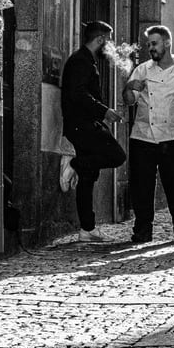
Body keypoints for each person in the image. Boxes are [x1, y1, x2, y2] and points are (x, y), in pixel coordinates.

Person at [122, 24, 174, 244]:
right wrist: (129, 87)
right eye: (149, 44)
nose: (151, 48)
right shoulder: (143, 70)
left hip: (172, 136)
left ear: (167, 43)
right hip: (143, 136)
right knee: (142, 187)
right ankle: (142, 230)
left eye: (154, 43)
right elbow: (130, 100)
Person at [60, 21, 126, 244]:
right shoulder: (81, 62)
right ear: (100, 40)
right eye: (108, 40)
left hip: (83, 124)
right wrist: (104, 111)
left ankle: (87, 229)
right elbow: (78, 94)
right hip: (83, 125)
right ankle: (76, 163)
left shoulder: (85, 60)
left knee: (89, 177)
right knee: (117, 156)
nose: (110, 46)